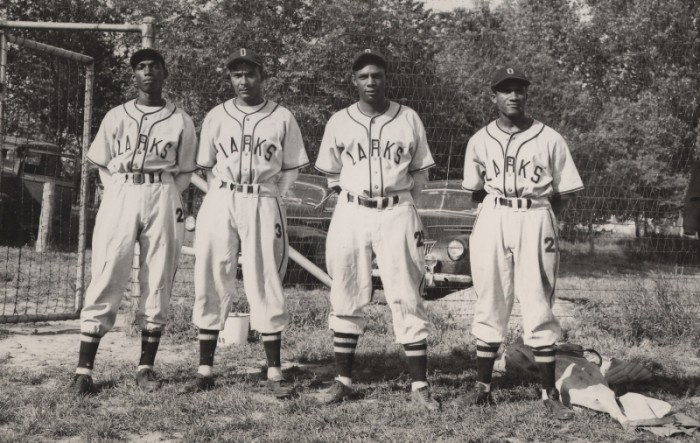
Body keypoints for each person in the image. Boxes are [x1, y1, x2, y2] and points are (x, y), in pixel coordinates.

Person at [180, 48, 310, 399]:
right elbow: (205, 164)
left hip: (263, 197)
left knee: (265, 276)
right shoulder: (216, 116)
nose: (242, 80)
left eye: (249, 73)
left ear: (262, 76)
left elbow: (293, 166)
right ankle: (205, 369)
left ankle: (274, 370)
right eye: (236, 74)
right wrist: (224, 192)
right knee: (210, 272)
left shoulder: (282, 116)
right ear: (230, 78)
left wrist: (274, 195)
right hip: (221, 197)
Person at [314, 49, 439, 411]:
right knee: (346, 290)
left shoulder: (408, 118)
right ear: (354, 81)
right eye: (364, 76)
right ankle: (343, 381)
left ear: (387, 78)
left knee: (406, 293)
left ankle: (419, 385)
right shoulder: (339, 120)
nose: (371, 82)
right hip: (352, 211)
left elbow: (420, 171)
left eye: (377, 75)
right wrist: (344, 192)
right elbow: (330, 170)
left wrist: (401, 202)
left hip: (396, 210)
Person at [457, 67, 584, 419]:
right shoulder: (479, 139)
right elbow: (474, 190)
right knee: (490, 298)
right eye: (505, 90)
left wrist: (543, 216)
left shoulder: (550, 138)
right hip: (493, 214)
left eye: (519, 90)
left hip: (536, 214)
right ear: (494, 96)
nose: (513, 96)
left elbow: (564, 193)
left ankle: (548, 395)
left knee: (538, 302)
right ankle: (482, 389)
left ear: (527, 95)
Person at [71, 48, 197, 395]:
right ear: (134, 75)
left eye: (154, 67)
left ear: (164, 73)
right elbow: (101, 162)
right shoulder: (116, 115)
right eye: (141, 68)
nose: (148, 73)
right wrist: (118, 192)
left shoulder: (181, 119)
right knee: (108, 271)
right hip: (121, 192)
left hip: (162, 192)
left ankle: (146, 366)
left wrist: (165, 192)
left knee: (158, 275)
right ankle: (84, 370)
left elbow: (184, 172)